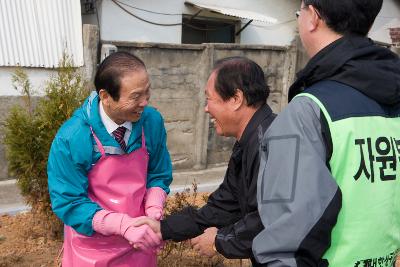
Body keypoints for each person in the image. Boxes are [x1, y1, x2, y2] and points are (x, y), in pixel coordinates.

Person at [253, 0, 400, 266]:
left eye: (299, 13)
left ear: (312, 18)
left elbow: (286, 245)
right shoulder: (393, 98)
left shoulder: (308, 111)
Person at [134, 56, 276, 265]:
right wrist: (164, 228)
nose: (206, 108)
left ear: (236, 99)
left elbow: (273, 221)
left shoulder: (272, 143)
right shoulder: (248, 142)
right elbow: (224, 205)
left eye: (209, 98)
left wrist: (219, 241)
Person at [47, 52, 172, 266]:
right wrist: (122, 224)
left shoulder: (151, 122)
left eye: (147, 92)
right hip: (92, 248)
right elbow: (70, 202)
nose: (144, 102)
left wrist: (153, 212)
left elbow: (158, 174)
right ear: (105, 96)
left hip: (140, 240)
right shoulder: (72, 138)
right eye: (135, 96)